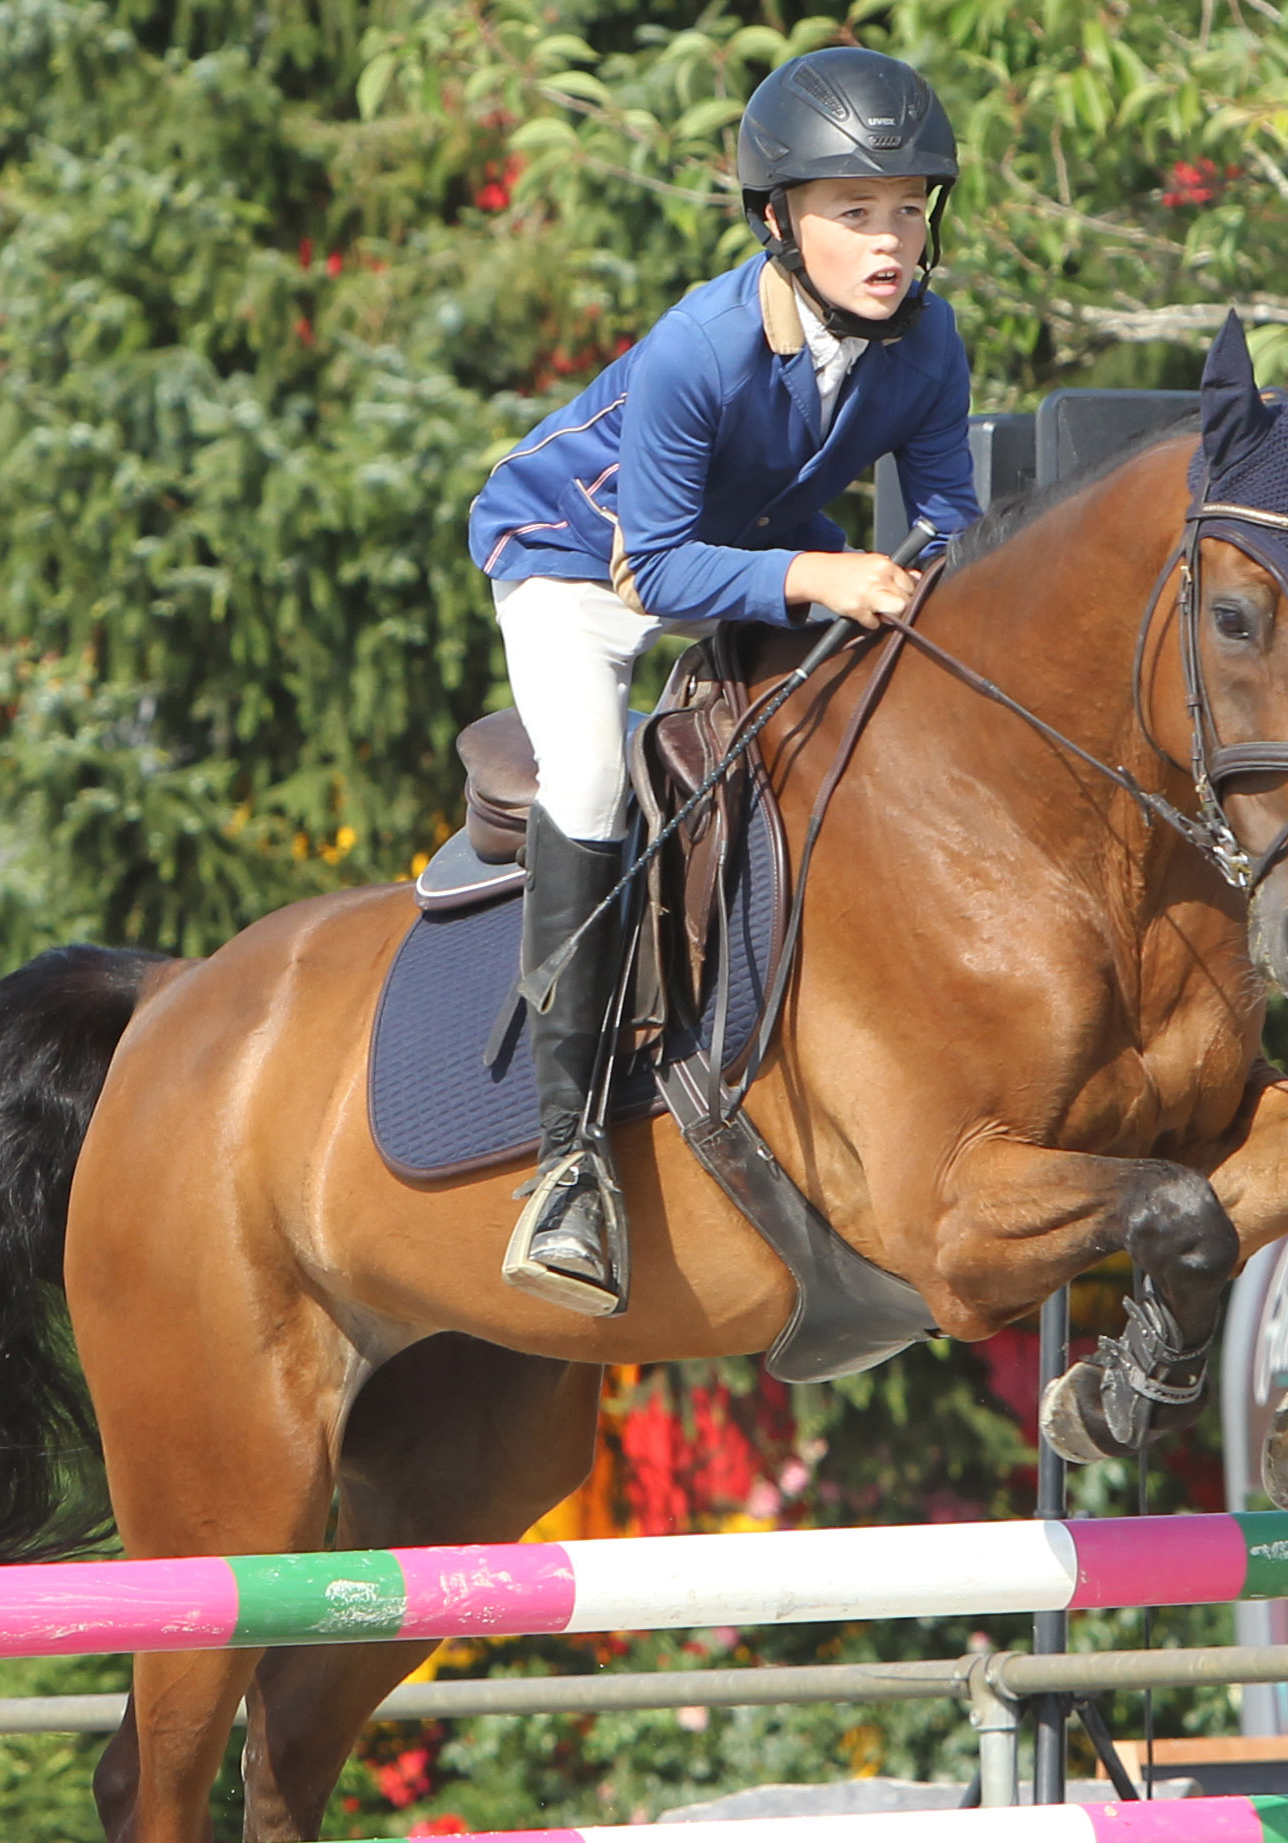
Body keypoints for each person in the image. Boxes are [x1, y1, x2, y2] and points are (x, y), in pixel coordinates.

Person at [468, 45, 981, 1316]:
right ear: (777, 221)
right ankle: (569, 1163)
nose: (888, 241)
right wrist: (823, 578)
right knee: (588, 780)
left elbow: (950, 520)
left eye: (908, 211)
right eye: (853, 214)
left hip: (750, 556)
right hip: (578, 565)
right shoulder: (702, 344)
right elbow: (652, 576)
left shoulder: (927, 343)